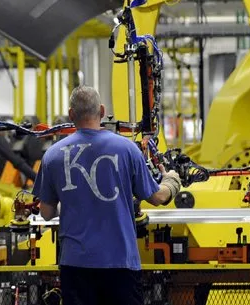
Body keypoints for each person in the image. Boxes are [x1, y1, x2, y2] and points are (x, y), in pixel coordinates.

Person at [32, 85, 181, 305]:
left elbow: (45, 213)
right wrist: (172, 180)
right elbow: (158, 197)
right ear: (101, 111)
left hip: (76, 264)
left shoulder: (52, 155)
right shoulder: (127, 149)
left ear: (71, 114)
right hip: (120, 263)